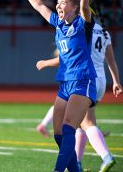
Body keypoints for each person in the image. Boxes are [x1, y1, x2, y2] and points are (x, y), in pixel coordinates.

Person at [9, 0, 99, 171]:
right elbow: (39, 4)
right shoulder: (58, 24)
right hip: (65, 83)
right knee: (59, 134)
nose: (57, 5)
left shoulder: (82, 23)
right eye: (57, 2)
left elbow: (85, 7)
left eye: (62, 2)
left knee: (68, 129)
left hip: (83, 81)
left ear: (74, 7)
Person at [35, 20, 122, 171]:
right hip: (101, 78)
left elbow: (70, 55)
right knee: (81, 123)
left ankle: (106, 156)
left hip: (85, 77)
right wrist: (116, 81)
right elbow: (111, 60)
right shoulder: (104, 31)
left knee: (85, 123)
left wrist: (46, 62)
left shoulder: (81, 28)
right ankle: (78, 164)